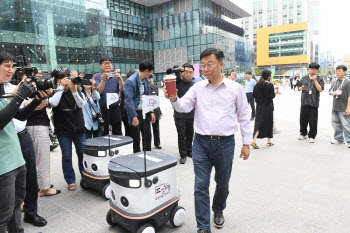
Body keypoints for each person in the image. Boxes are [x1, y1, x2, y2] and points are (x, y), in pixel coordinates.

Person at [164, 48, 251, 233]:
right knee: (200, 185)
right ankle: (203, 226)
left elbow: (244, 115)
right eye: (202, 65)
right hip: (201, 143)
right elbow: (184, 106)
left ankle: (218, 209)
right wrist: (173, 99)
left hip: (225, 144)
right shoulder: (198, 87)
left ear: (221, 64)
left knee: (223, 183)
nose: (205, 68)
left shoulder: (235, 88)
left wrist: (246, 143)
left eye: (209, 64)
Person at [0, 51, 44, 233]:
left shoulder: (2, 90)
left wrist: (36, 101)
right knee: (3, 214)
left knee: (17, 205)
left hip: (16, 160)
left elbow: (17, 115)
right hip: (3, 165)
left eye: (12, 66)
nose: (12, 70)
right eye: (7, 66)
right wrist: (18, 96)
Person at [49, 67, 86, 191]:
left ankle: (85, 177)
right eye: (61, 78)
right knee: (67, 156)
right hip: (63, 130)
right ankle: (70, 180)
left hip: (78, 128)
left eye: (67, 78)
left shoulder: (75, 89)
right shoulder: (55, 92)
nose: (65, 81)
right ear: (57, 80)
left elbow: (81, 105)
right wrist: (60, 88)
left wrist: (74, 91)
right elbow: (53, 103)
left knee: (82, 154)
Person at [124, 60, 155, 153]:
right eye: (150, 72)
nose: (150, 75)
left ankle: (148, 157)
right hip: (135, 113)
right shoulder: (130, 82)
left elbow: (147, 96)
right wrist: (134, 117)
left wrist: (151, 111)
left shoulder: (145, 80)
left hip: (145, 112)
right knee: (136, 139)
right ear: (146, 71)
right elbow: (128, 101)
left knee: (147, 137)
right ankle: (137, 160)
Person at [93, 56, 124, 136]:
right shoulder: (96, 76)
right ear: (100, 66)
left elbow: (122, 89)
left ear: (112, 65)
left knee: (117, 132)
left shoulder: (116, 76)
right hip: (102, 109)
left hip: (115, 108)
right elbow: (99, 92)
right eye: (104, 63)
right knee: (104, 132)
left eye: (109, 63)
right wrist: (103, 80)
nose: (107, 65)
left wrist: (120, 79)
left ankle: (117, 147)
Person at [173, 63, 195, 164]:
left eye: (190, 72)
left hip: (191, 115)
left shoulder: (194, 85)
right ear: (182, 72)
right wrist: (176, 71)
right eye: (186, 71)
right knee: (181, 135)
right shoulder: (177, 82)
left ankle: (189, 151)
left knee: (190, 134)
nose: (188, 74)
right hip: (179, 115)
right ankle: (183, 154)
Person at [298, 62, 324, 143]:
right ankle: (303, 133)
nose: (312, 71)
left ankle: (312, 136)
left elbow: (320, 89)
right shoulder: (304, 77)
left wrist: (315, 80)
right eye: (311, 69)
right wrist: (300, 88)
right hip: (304, 102)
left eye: (314, 69)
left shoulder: (320, 79)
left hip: (314, 102)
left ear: (317, 70)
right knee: (303, 119)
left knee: (313, 120)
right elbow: (298, 87)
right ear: (308, 69)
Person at [251, 70, 276, 149]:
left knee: (258, 123)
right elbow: (271, 96)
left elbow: (254, 95)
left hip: (259, 107)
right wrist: (275, 92)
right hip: (268, 107)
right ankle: (268, 142)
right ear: (269, 76)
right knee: (269, 123)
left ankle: (254, 140)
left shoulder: (257, 85)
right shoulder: (270, 85)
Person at [329, 65, 350, 148]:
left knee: (346, 125)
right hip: (335, 107)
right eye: (337, 71)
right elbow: (330, 91)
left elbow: (349, 95)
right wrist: (335, 93)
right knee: (335, 124)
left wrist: (348, 108)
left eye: (339, 71)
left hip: (343, 108)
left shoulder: (347, 82)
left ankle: (349, 140)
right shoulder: (335, 81)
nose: (337, 72)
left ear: (344, 72)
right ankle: (339, 138)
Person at [121, 69, 138, 136]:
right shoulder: (128, 85)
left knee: (131, 132)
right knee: (130, 132)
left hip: (129, 111)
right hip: (126, 112)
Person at [149, 74, 162, 149]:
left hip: (156, 111)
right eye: (148, 78)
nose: (149, 80)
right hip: (147, 111)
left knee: (156, 128)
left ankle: (157, 143)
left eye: (151, 78)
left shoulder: (155, 88)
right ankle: (147, 144)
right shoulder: (143, 87)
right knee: (147, 129)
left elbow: (157, 99)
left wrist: (158, 111)